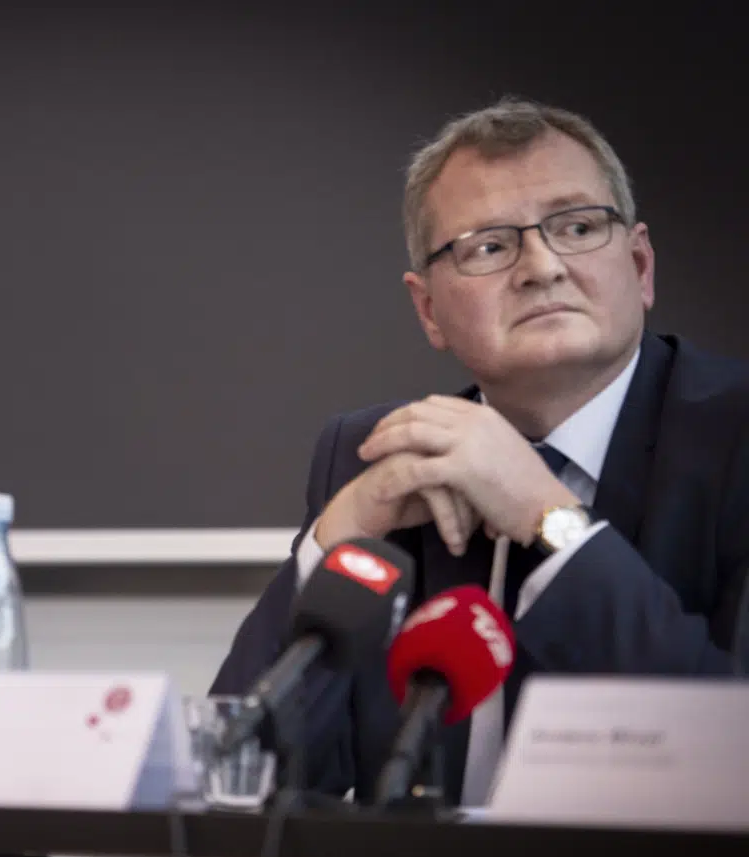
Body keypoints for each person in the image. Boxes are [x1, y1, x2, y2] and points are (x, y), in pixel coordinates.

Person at [212, 99, 749, 808]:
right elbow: (245, 775)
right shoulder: (379, 457)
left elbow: (727, 766)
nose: (541, 266)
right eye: (489, 246)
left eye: (578, 227)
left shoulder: (734, 438)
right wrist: (333, 542)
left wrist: (549, 517)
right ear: (429, 309)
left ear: (641, 265)